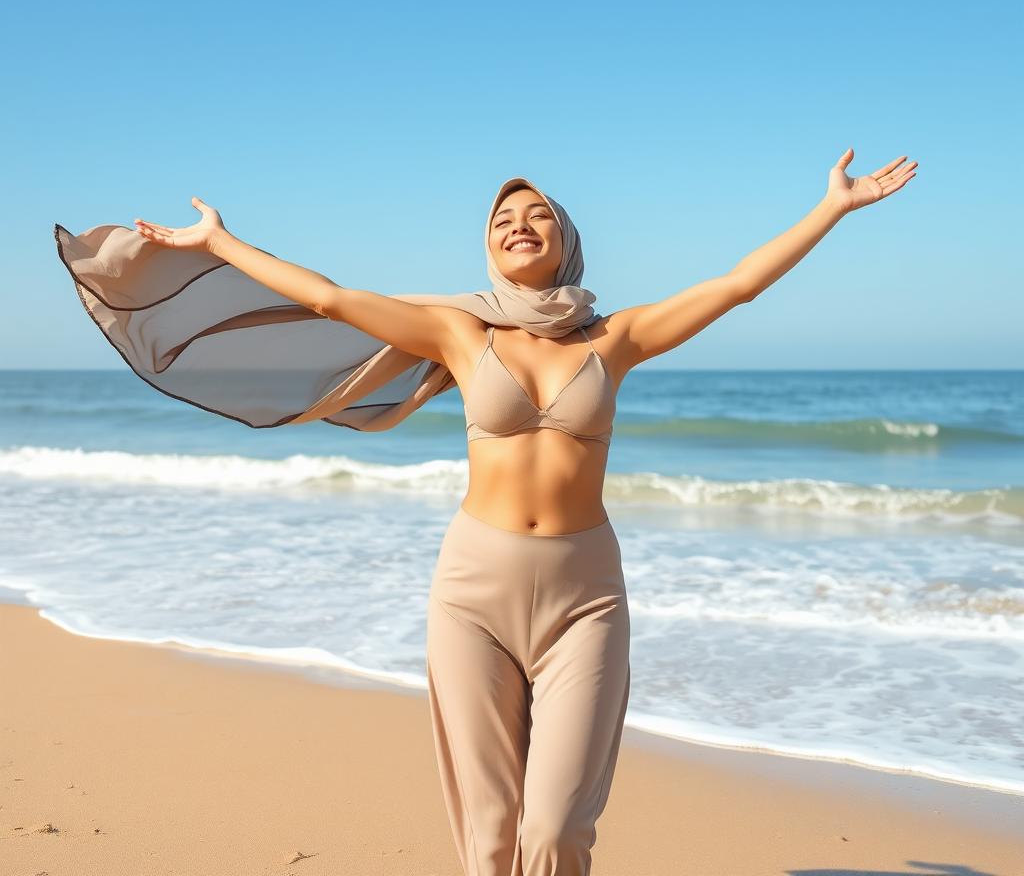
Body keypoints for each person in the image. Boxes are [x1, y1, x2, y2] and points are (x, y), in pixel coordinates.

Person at [56, 150, 916, 876]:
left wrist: (830, 209)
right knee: (493, 833)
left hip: (586, 595)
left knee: (556, 829)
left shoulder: (614, 340)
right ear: (488, 245)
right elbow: (325, 298)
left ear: (566, 242)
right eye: (505, 217)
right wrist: (221, 241)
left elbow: (735, 287)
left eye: (538, 214)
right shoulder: (461, 334)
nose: (519, 223)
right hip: (473, 592)